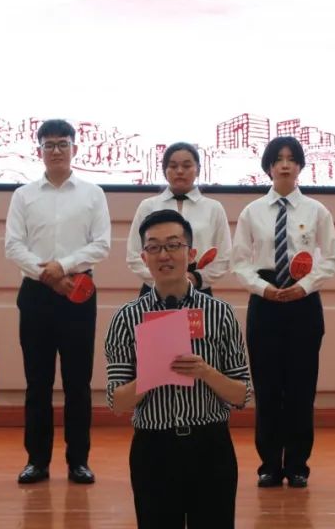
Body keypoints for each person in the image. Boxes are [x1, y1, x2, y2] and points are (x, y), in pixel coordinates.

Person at [106, 209, 251, 528]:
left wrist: (205, 372)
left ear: (191, 253)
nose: (164, 255)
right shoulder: (126, 318)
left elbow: (242, 395)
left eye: (173, 245)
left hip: (210, 446)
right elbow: (117, 403)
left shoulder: (220, 313)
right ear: (144, 257)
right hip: (153, 449)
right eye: (154, 247)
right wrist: (151, 374)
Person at [5, 119, 111, 484]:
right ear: (39, 151)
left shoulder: (93, 194)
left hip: (79, 292)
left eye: (62, 144)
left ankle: (78, 460)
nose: (56, 151)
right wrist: (49, 276)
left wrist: (62, 267)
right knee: (37, 382)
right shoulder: (23, 195)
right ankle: (37, 461)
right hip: (36, 294)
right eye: (48, 145)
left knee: (78, 382)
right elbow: (13, 245)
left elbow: (101, 244)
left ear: (74, 148)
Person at [232, 136, 335, 488]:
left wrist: (304, 287)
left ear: (300, 166)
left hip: (303, 303)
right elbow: (240, 261)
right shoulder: (252, 212)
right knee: (267, 389)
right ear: (268, 166)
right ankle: (268, 464)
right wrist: (262, 288)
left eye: (291, 159)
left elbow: (330, 260)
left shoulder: (316, 211)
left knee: (300, 389)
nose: (284, 164)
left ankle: (297, 465)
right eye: (278, 159)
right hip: (264, 301)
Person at [126, 142, 232, 297]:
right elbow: (134, 254)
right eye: (173, 166)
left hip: (198, 288)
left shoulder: (214, 208)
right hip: (155, 289)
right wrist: (162, 278)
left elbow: (224, 256)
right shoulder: (148, 206)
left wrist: (196, 278)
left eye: (187, 166)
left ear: (198, 170)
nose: (180, 171)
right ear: (165, 171)